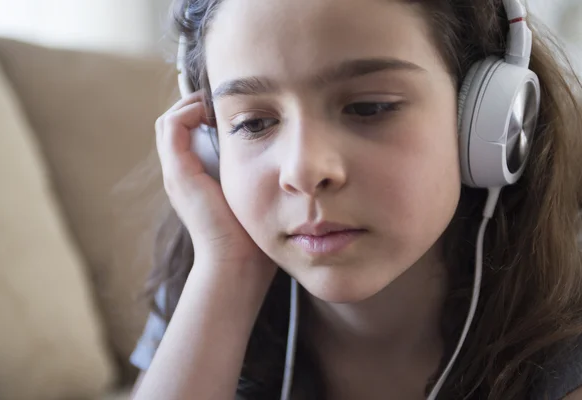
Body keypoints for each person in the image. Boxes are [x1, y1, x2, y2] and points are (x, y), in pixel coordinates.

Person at [130, 0, 582, 398]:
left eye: (369, 107)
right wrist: (228, 268)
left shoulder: (564, 324)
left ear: (488, 118)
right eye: (252, 124)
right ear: (212, 148)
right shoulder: (207, 280)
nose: (303, 172)